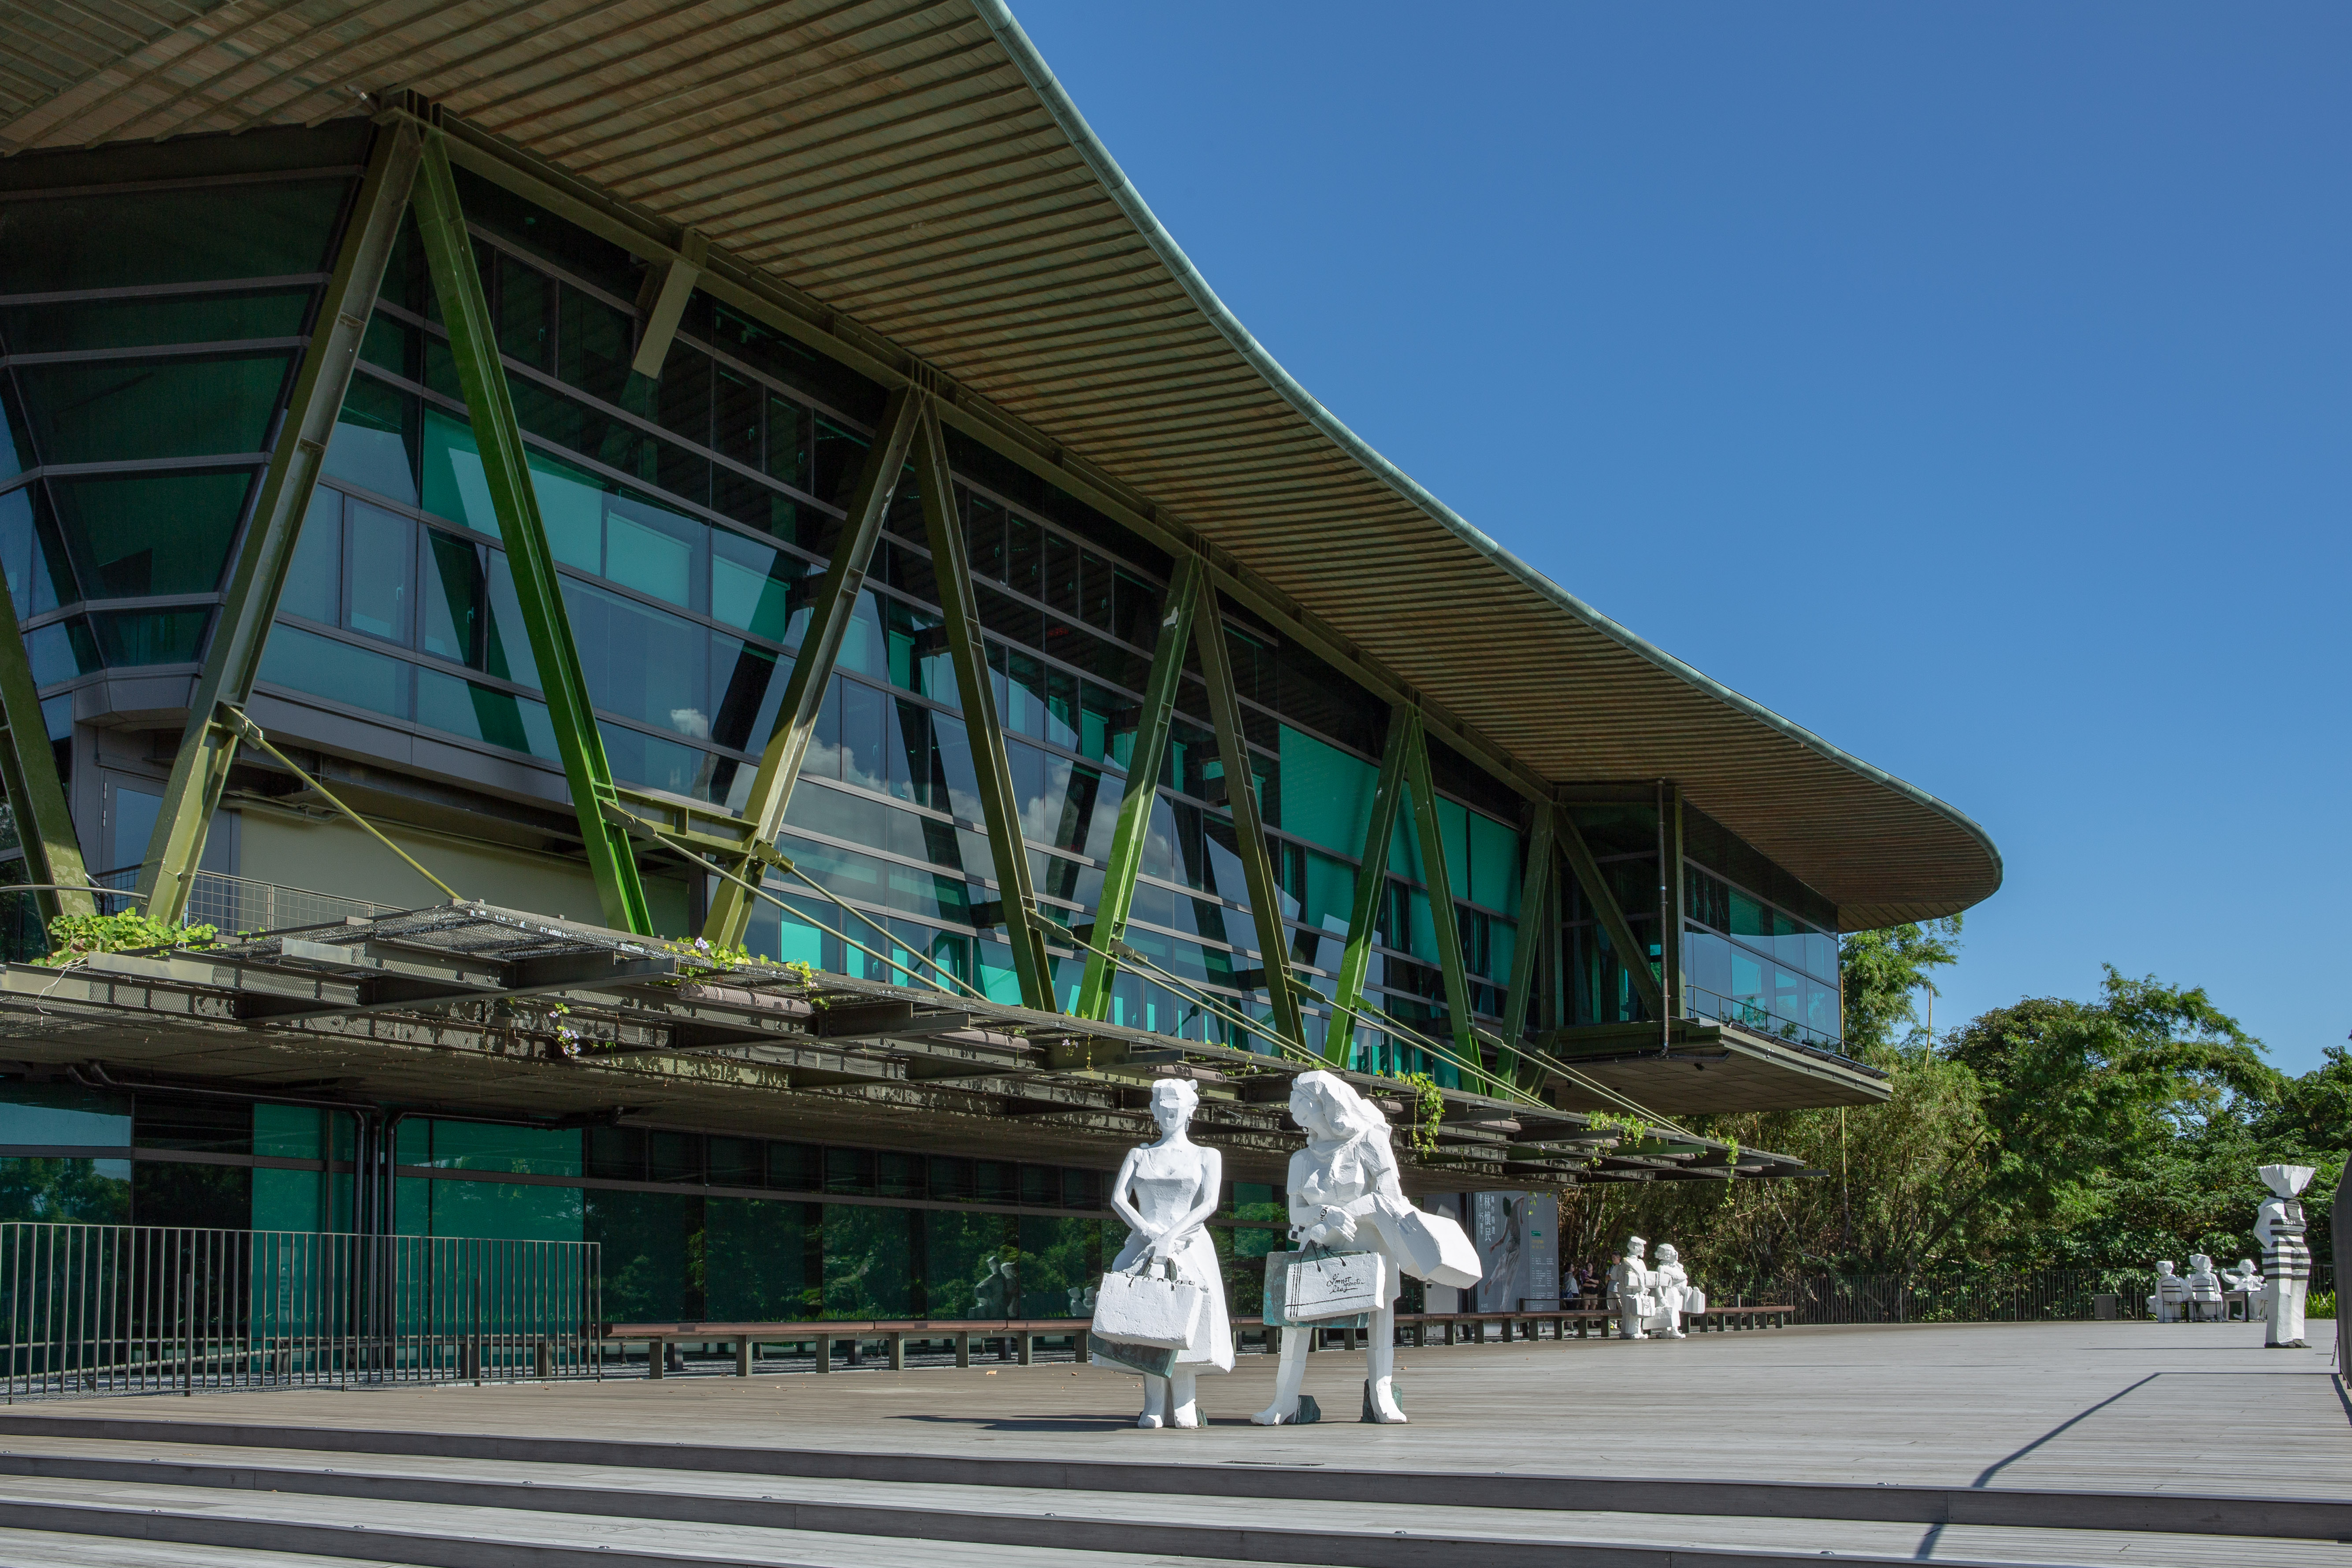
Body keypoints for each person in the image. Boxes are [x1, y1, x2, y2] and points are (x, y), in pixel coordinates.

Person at [1252, 1071, 1410, 1425]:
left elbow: (1392, 1198)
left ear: (1332, 1110)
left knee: (1379, 1320)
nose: (1308, 1129)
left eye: (1310, 1118)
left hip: (1370, 1239)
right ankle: (1284, 1399)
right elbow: (1296, 1212)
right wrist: (1326, 1214)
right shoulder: (1301, 1159)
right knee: (1297, 1319)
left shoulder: (1370, 1141)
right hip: (1320, 1242)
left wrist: (1348, 1212)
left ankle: (1382, 1395)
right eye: (1300, 1121)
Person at [1096, 1077, 1232, 1427]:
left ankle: (1186, 1401)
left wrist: (1172, 1236)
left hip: (1189, 1242)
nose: (1169, 1114)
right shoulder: (1140, 1154)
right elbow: (1119, 1198)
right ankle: (1153, 1402)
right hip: (1145, 1243)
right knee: (1148, 1316)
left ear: (1190, 1111)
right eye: (1163, 1108)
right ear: (1154, 1111)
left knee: (1189, 1316)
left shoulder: (1207, 1155)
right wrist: (1147, 1232)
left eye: (1177, 1109)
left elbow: (1209, 1203)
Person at [2254, 1164, 2314, 1349]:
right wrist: (2273, 1246)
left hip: (2299, 1248)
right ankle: (2279, 1336)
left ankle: (2296, 1335)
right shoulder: (2272, 1206)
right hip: (2280, 1250)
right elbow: (2259, 1230)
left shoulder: (2297, 1206)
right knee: (2282, 1292)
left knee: (2298, 1292)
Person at [1607, 1237, 1657, 1340]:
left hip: (1640, 1291)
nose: (1643, 1249)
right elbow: (1617, 1276)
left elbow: (1645, 1276)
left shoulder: (1641, 1262)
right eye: (1641, 1247)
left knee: (1638, 1312)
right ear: (1634, 1247)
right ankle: (1629, 1332)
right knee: (1630, 1312)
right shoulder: (1626, 1261)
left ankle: (1636, 1331)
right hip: (1628, 1291)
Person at [1650, 1243, 1692, 1338]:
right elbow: (1658, 1284)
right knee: (1670, 1311)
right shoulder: (1662, 1268)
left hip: (1676, 1292)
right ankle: (1671, 1330)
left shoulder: (1678, 1267)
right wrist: (1661, 1297)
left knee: (1675, 1310)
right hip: (1668, 1292)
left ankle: (1671, 1330)